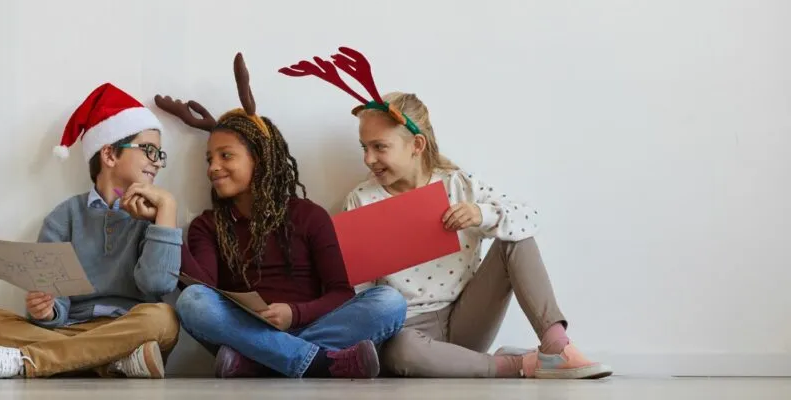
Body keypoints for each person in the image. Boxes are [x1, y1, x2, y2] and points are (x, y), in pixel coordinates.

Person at [279, 46, 612, 380]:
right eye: (364, 148)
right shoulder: (361, 200)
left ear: (417, 145)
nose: (368, 159)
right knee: (401, 351)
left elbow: (529, 217)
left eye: (380, 147)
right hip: (406, 331)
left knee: (514, 238)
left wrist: (481, 215)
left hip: (467, 317)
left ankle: (556, 347)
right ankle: (518, 365)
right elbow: (360, 294)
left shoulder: (457, 186)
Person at [154, 53, 407, 379]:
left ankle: (259, 360)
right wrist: (165, 218)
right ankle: (317, 362)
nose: (213, 167)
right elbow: (205, 289)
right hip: (243, 326)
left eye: (226, 155)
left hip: (305, 324)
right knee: (193, 302)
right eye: (209, 159)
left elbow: (340, 293)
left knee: (389, 302)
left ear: (259, 159)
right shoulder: (208, 225)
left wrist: (294, 314)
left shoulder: (309, 216)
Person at [0, 83, 183, 379]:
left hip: (130, 327)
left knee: (164, 318)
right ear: (109, 154)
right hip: (72, 330)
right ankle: (111, 362)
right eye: (149, 150)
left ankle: (30, 361)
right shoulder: (64, 217)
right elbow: (54, 299)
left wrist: (167, 208)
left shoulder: (156, 215)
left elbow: (157, 285)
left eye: (160, 154)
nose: (157, 162)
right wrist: (45, 310)